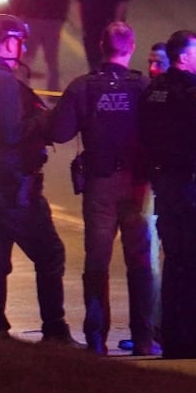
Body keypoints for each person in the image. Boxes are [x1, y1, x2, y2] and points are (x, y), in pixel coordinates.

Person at [0, 13, 77, 345]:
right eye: (19, 42)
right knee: (50, 253)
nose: (21, 48)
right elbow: (11, 133)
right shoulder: (0, 80)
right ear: (9, 42)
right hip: (12, 186)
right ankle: (55, 329)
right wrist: (41, 120)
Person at [48, 21, 158, 357]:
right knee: (139, 262)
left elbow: (60, 132)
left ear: (100, 46)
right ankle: (143, 338)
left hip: (100, 185)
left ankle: (97, 339)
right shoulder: (143, 86)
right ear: (132, 46)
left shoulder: (83, 88)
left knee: (97, 262)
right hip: (137, 185)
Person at [140, 30, 196, 359]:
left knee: (174, 262)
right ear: (184, 57)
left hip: (166, 187)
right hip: (194, 188)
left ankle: (171, 336)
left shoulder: (154, 91)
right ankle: (192, 339)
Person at [118, 41, 170, 353]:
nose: (152, 68)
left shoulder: (172, 96)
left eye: (159, 62)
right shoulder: (145, 93)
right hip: (148, 182)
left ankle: (155, 329)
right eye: (150, 61)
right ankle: (151, 328)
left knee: (154, 259)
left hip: (161, 184)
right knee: (148, 259)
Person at [8, 0, 70, 92]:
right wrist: (19, 16)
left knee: (51, 59)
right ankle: (22, 89)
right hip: (30, 22)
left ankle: (52, 90)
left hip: (50, 23)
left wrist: (60, 19)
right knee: (27, 58)